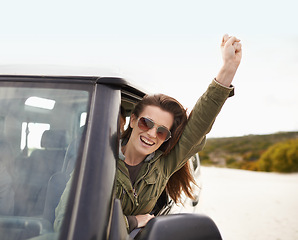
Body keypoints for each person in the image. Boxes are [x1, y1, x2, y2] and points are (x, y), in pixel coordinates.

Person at [54, 34, 242, 233]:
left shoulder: (164, 164)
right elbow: (65, 225)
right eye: (146, 123)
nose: (152, 134)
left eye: (162, 131)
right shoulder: (95, 161)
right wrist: (133, 221)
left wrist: (228, 67)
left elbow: (200, 123)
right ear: (133, 120)